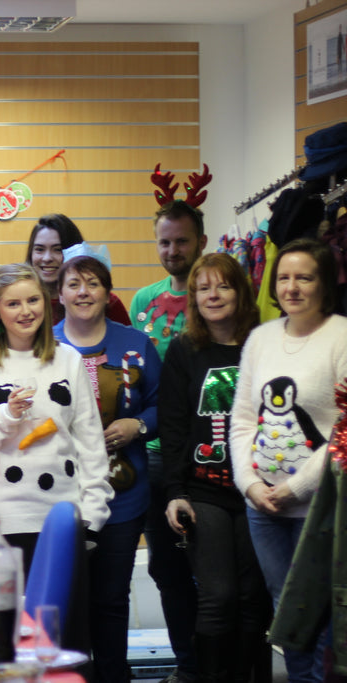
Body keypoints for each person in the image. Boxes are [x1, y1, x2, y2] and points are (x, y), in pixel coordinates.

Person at [0, 263, 113, 575]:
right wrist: (5, 415)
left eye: (33, 300)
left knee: (60, 620)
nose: (25, 311)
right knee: (14, 619)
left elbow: (90, 444)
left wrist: (91, 516)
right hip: (5, 520)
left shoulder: (69, 360)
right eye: (13, 303)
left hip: (64, 515)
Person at [230, 238, 347, 683]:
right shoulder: (260, 338)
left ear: (324, 283)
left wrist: (295, 489)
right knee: (287, 612)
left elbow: (345, 428)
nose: (292, 287)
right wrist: (251, 485)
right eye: (283, 277)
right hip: (263, 508)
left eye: (304, 277)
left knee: (319, 612)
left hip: (319, 506)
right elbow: (242, 419)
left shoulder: (341, 336)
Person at [160, 252, 269, 683]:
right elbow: (172, 427)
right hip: (203, 489)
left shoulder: (262, 344)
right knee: (219, 594)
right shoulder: (184, 351)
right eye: (203, 287)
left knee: (252, 598)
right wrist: (174, 492)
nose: (213, 295)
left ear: (240, 291)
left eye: (222, 285)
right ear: (193, 298)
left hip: (257, 488)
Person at [53, 252, 160, 683]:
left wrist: (138, 424)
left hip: (124, 496)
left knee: (112, 599)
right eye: (74, 284)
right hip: (59, 498)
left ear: (107, 292)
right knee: (67, 601)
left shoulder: (136, 343)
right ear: (58, 293)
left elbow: (163, 406)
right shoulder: (45, 345)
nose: (83, 292)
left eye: (93, 283)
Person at [130, 199, 207, 683]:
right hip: (153, 455)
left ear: (200, 239)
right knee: (164, 567)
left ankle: (220, 666)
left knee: (212, 571)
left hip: (207, 454)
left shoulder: (217, 291)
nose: (172, 250)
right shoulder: (143, 301)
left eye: (181, 240)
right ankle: (188, 665)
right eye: (164, 241)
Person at [25, 214, 130, 325]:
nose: (47, 258)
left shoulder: (103, 302)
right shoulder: (21, 302)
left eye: (58, 250)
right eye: (39, 249)